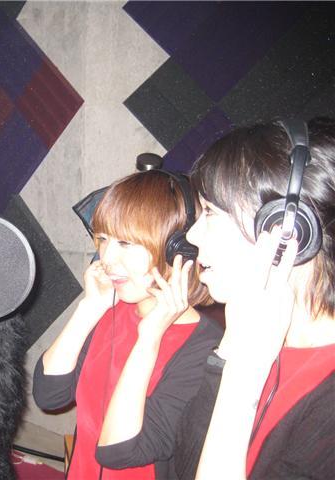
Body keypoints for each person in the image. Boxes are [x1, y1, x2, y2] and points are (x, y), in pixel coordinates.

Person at [33, 170, 223, 479]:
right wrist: (88, 309)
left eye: (126, 243)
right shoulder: (110, 310)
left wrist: (148, 340)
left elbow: (119, 452)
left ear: (178, 251)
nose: (107, 258)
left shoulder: (207, 348)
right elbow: (50, 394)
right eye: (103, 239)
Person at [174, 117, 335, 479]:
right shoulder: (243, 337)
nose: (193, 235)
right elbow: (182, 469)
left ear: (287, 228)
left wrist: (244, 371)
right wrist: (232, 351)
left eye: (211, 213)